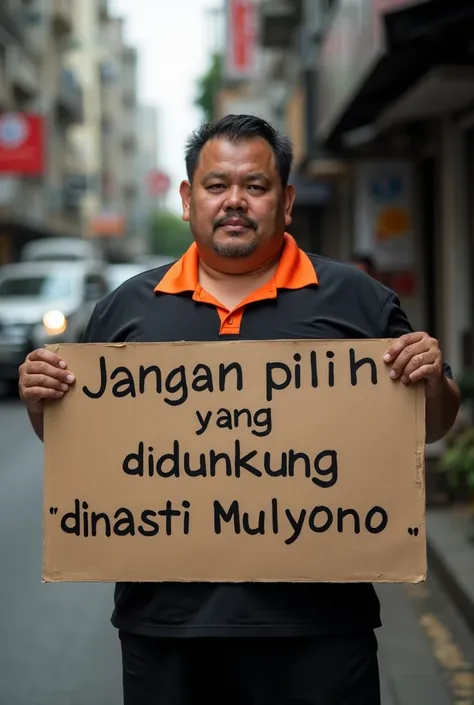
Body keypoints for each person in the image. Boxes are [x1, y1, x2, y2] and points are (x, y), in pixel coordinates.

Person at [18, 114, 460, 705]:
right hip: (165, 629)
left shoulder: (359, 301)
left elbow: (430, 423)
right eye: (216, 185)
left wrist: (430, 378)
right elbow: (86, 448)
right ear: (186, 198)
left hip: (322, 628)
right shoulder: (125, 310)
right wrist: (40, 399)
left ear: (286, 201)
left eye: (255, 186)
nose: (235, 202)